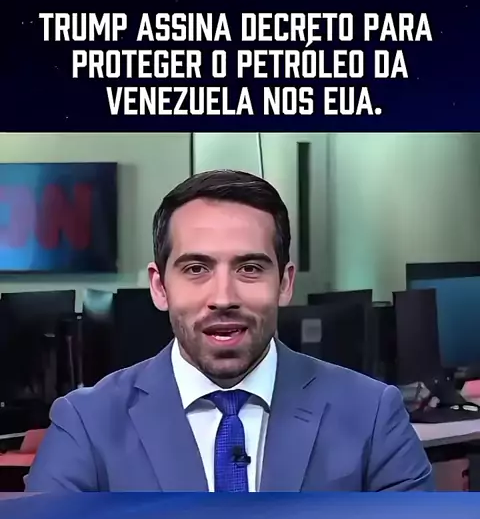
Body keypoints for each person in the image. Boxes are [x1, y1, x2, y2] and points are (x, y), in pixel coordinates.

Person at [26, 170, 434, 493]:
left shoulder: (372, 413)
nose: (223, 297)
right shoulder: (87, 423)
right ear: (160, 287)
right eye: (196, 269)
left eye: (250, 268)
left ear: (285, 283)